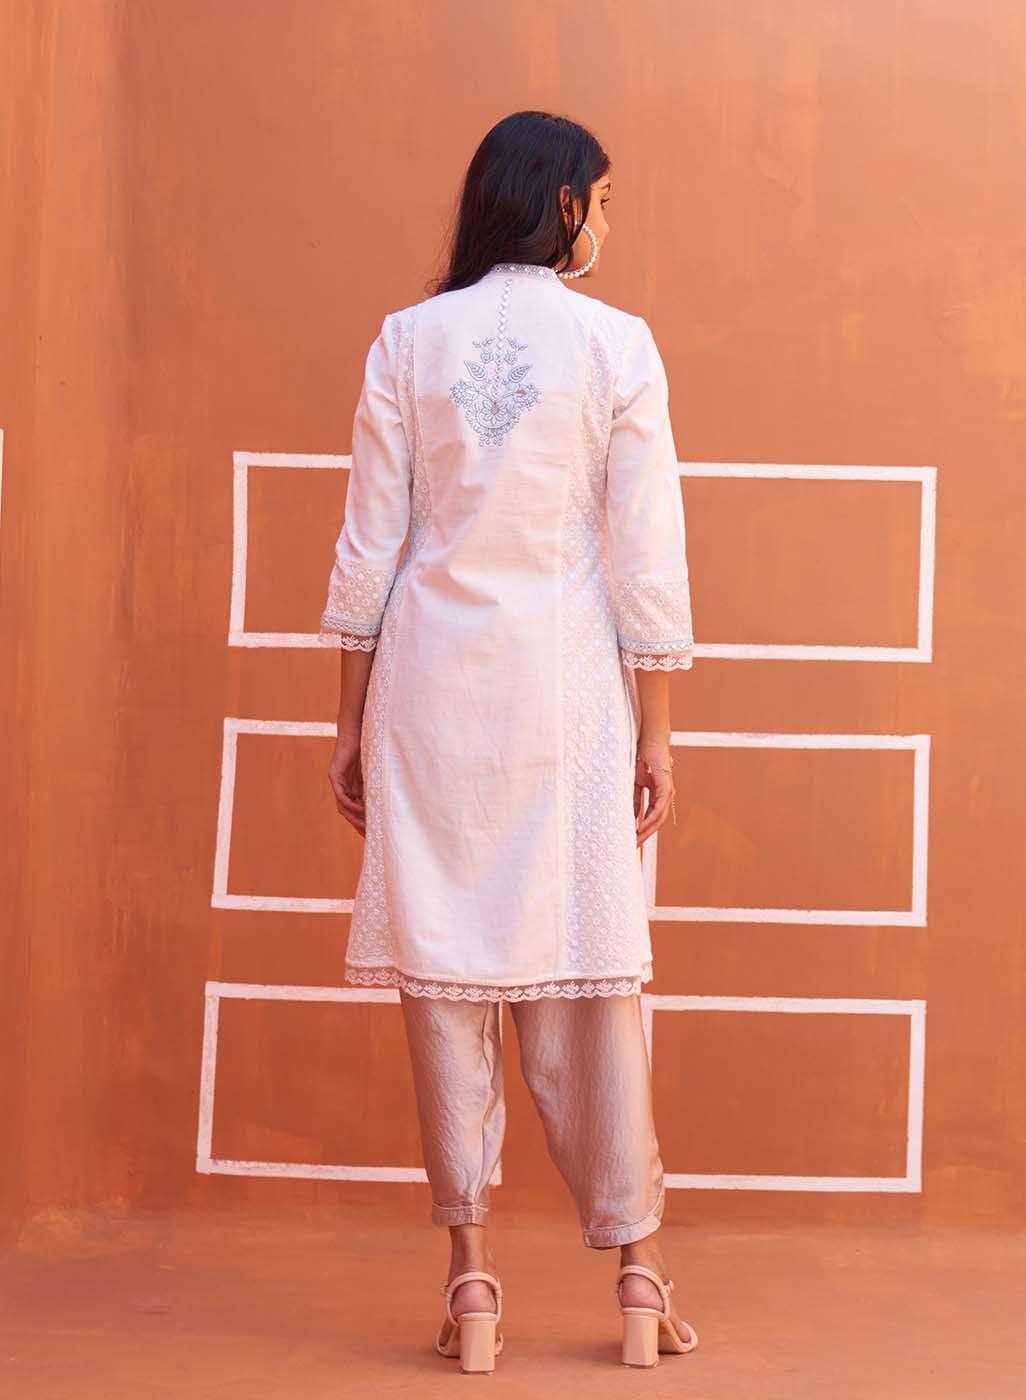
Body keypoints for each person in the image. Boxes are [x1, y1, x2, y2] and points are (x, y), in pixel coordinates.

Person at [319, 110, 698, 1371]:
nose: (610, 222)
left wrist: (345, 723)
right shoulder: (617, 343)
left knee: (445, 979)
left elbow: (370, 546)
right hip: (568, 695)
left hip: (428, 691)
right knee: (595, 973)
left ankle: (472, 1278)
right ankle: (638, 1274)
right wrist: (656, 732)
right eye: (606, 200)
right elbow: (645, 554)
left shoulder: (405, 340)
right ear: (566, 205)